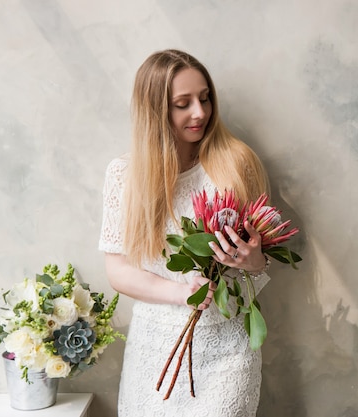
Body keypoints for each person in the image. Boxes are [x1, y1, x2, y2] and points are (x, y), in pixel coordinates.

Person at [98, 49, 271, 416]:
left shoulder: (236, 164)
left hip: (226, 349)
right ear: (156, 111)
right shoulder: (123, 176)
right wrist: (180, 293)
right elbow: (118, 270)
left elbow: (260, 263)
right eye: (183, 103)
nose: (201, 112)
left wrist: (254, 260)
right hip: (154, 345)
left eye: (205, 98)